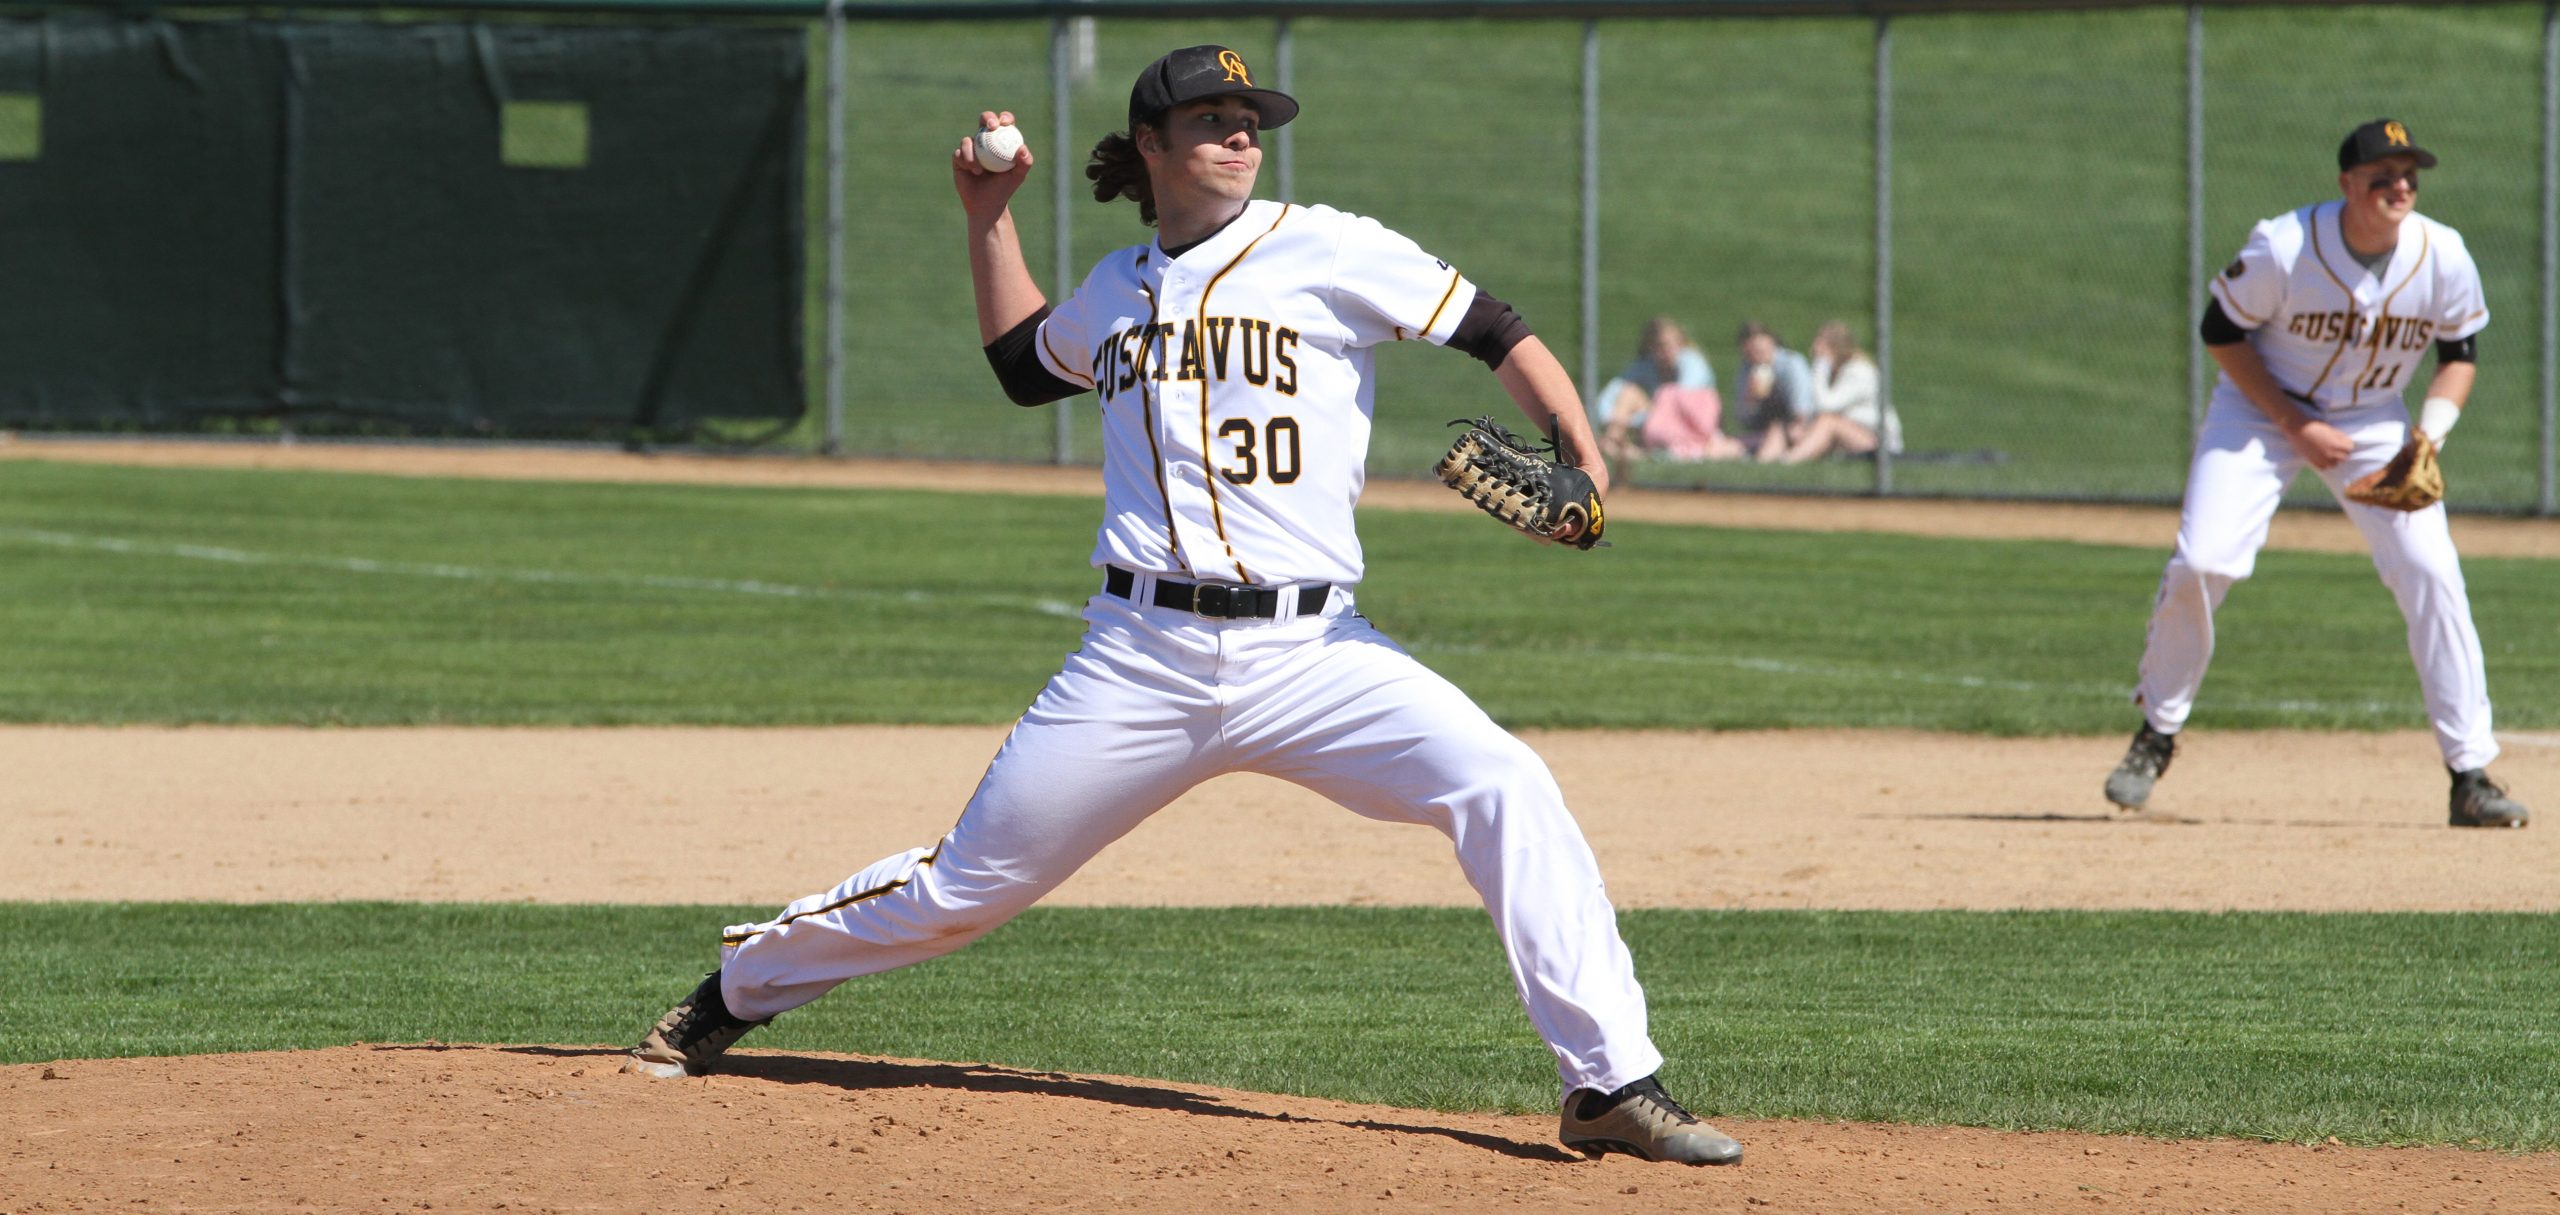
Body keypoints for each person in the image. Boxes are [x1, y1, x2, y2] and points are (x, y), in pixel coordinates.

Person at [621, 45, 1744, 1166]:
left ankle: (1606, 1083)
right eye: (1210, 117)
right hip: (1139, 657)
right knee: (964, 890)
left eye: (1249, 116)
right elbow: (1024, 365)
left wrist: (1585, 461)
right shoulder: (1115, 288)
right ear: (1149, 148)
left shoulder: (1331, 247)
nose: (1241, 132)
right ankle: (737, 987)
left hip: (1315, 654)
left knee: (1505, 785)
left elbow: (1495, 331)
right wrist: (989, 216)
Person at [2103, 118, 2528, 829]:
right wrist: (2293, 421)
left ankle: (2470, 775)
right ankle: (2158, 731)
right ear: (2345, 186)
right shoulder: (2286, 244)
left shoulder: (2443, 253)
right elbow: (2220, 330)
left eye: (2408, 174)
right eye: (2382, 175)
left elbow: (2460, 352)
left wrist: (2429, 436)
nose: (2399, 185)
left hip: (2375, 420)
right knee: (2205, 559)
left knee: (2431, 570)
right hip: (2258, 408)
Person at [1594, 317, 1740, 464]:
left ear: (1681, 343)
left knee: (1661, 396)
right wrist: (1618, 421)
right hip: (1659, 423)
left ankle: (1616, 447)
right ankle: (1612, 440)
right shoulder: (1646, 365)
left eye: (1672, 344)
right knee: (1629, 393)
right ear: (1651, 347)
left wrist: (1635, 420)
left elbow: (1679, 403)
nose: (1666, 350)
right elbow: (1610, 395)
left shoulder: (1692, 363)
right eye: (1659, 346)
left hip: (1692, 425)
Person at [1776, 320, 1900, 464]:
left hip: (1880, 443)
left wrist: (1820, 365)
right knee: (1791, 427)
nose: (1815, 348)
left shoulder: (1859, 371)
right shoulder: (1835, 371)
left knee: (1829, 422)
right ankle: (1765, 460)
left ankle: (1789, 461)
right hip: (1850, 434)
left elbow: (1826, 406)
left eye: (1820, 344)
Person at [1730, 322, 1813, 461]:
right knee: (1721, 448)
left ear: (1772, 342)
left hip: (1792, 428)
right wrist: (1750, 397)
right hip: (1762, 429)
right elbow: (1742, 417)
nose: (1756, 354)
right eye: (1750, 350)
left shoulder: (1791, 364)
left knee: (1774, 436)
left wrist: (1796, 425)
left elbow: (1802, 409)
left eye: (1760, 348)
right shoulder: (1746, 370)